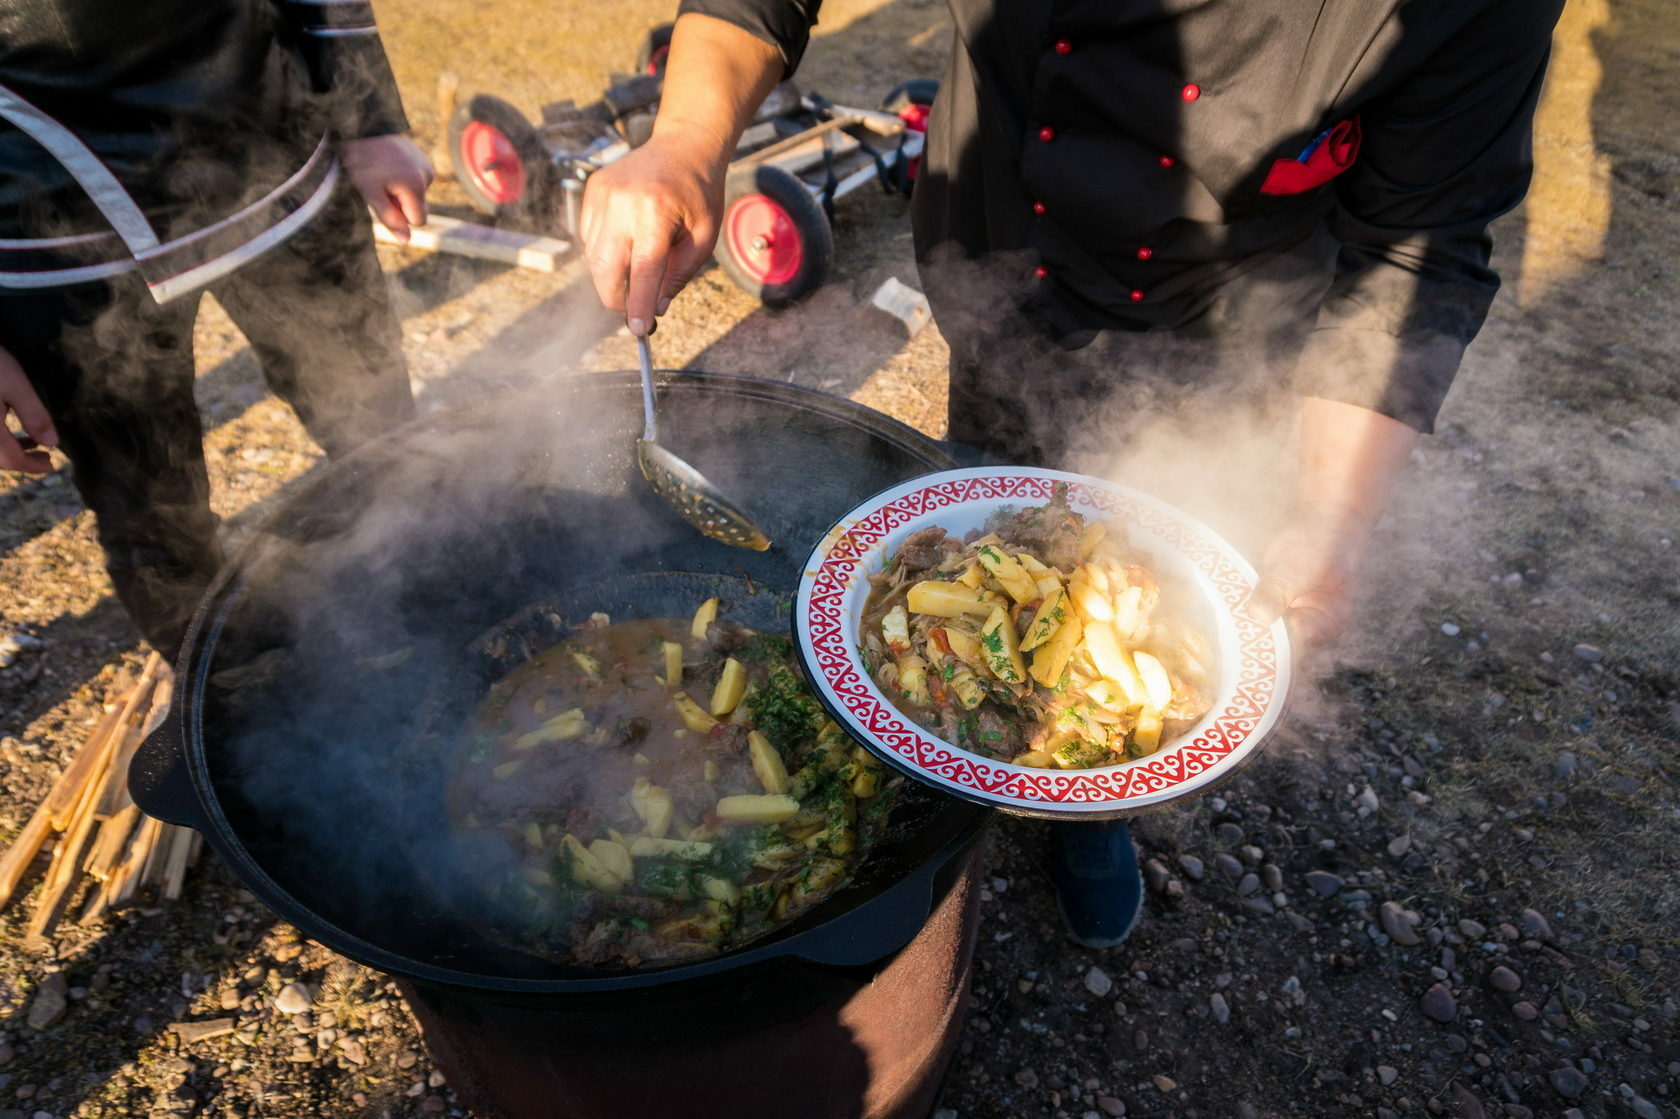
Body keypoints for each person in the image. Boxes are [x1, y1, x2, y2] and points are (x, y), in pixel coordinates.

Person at [577, 2, 1562, 948]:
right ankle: (949, 786)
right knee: (980, 526)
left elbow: (1417, 247)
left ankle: (1093, 814)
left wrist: (1329, 519)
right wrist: (687, 138)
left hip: (1232, 317)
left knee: (1141, 595)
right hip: (1008, 250)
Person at [0, 0, 432, 659]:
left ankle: (444, 605)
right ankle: (235, 701)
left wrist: (367, 113)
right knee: (154, 526)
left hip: (273, 143)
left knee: (382, 431)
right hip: (45, 216)